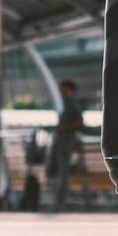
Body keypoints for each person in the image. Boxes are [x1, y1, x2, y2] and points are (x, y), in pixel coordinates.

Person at [46, 79, 84, 211]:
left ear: (70, 90)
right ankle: (59, 201)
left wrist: (63, 127)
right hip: (63, 143)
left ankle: (60, 202)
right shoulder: (68, 103)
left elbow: (79, 123)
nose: (61, 92)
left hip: (66, 143)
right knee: (61, 173)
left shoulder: (72, 103)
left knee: (63, 174)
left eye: (63, 89)